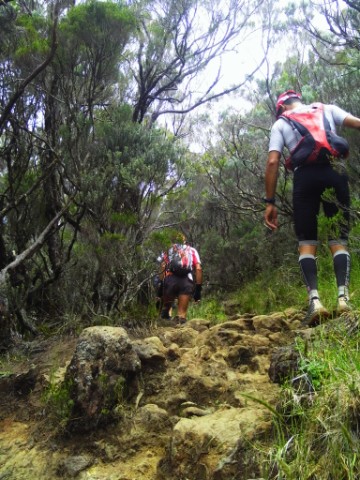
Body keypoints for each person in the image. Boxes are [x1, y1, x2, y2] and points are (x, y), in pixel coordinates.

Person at [264, 89, 360, 325]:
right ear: (298, 101)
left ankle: (315, 303)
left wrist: (270, 202)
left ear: (282, 108)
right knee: (339, 240)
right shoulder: (327, 109)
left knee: (307, 244)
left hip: (305, 179)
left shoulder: (281, 124)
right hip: (335, 172)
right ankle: (343, 299)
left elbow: (273, 160)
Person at [158, 233, 203, 325]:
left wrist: (161, 285)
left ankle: (164, 328)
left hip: (170, 280)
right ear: (184, 240)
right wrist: (198, 289)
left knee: (166, 309)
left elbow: (163, 266)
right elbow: (198, 268)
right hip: (186, 281)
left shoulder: (167, 250)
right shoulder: (192, 250)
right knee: (182, 314)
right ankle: (181, 330)